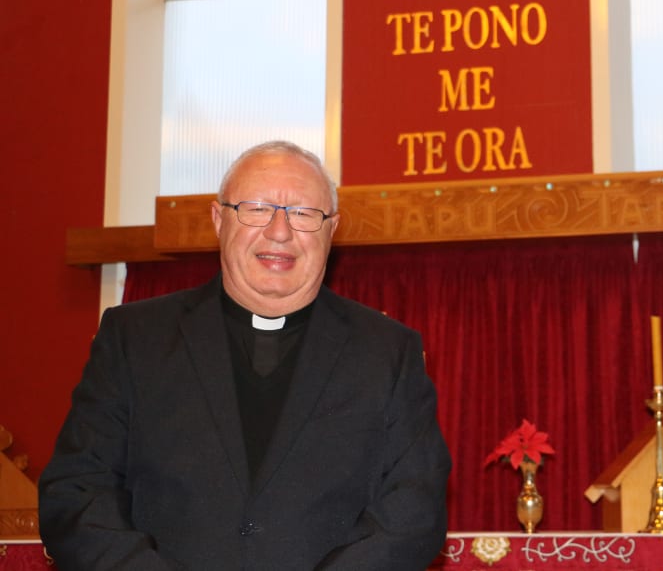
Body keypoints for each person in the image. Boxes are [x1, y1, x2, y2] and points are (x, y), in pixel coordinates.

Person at [39, 140, 451, 570]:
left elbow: (414, 510)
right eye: (256, 208)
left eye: (304, 214)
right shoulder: (134, 338)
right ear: (219, 219)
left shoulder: (386, 352)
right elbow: (79, 490)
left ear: (332, 230)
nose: (279, 231)